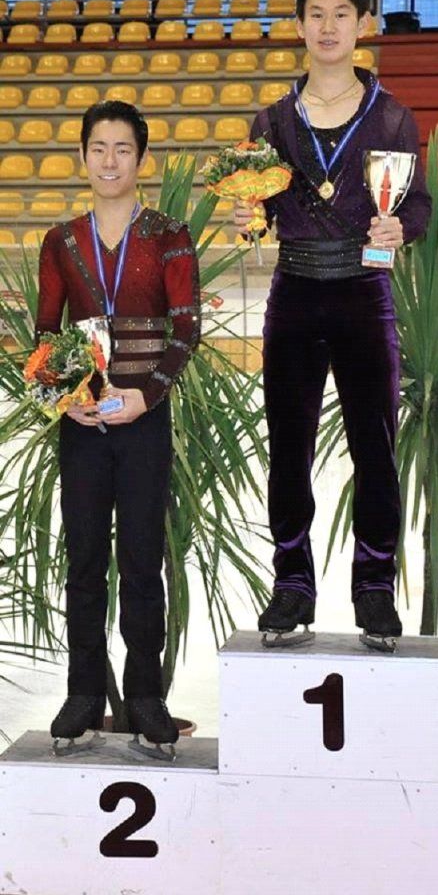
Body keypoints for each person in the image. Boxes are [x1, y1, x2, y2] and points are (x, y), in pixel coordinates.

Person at [234, 0, 431, 650]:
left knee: (374, 448)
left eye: (341, 14)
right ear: (299, 25)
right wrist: (247, 217)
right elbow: (256, 205)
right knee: (287, 448)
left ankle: (374, 588)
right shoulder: (272, 120)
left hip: (363, 293)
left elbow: (421, 204)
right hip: (293, 291)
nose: (327, 26)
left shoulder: (392, 117)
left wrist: (398, 228)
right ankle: (292, 584)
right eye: (315, 14)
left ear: (363, 25)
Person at [35, 100, 200, 755]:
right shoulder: (61, 240)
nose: (109, 160)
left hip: (143, 423)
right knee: (83, 560)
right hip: (81, 425)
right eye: (98, 147)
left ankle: (146, 697)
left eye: (122, 148)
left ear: (141, 159)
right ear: (83, 156)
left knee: (139, 559)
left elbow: (185, 330)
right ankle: (81, 693)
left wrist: (147, 397)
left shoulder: (167, 234)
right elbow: (48, 333)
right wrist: (62, 396)